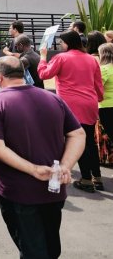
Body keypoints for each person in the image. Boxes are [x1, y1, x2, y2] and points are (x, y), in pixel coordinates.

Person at [0, 56, 85, 259]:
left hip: (19, 191)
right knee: (49, 244)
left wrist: (35, 169)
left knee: (32, 249)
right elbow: (78, 133)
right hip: (52, 188)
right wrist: (65, 166)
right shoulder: (52, 98)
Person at [38, 30, 104, 192]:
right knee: (89, 140)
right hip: (90, 102)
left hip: (70, 104)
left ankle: (86, 179)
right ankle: (97, 177)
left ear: (67, 43)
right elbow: (98, 85)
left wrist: (42, 57)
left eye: (62, 42)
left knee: (76, 140)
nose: (61, 45)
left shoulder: (61, 57)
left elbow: (44, 74)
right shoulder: (91, 59)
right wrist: (98, 98)